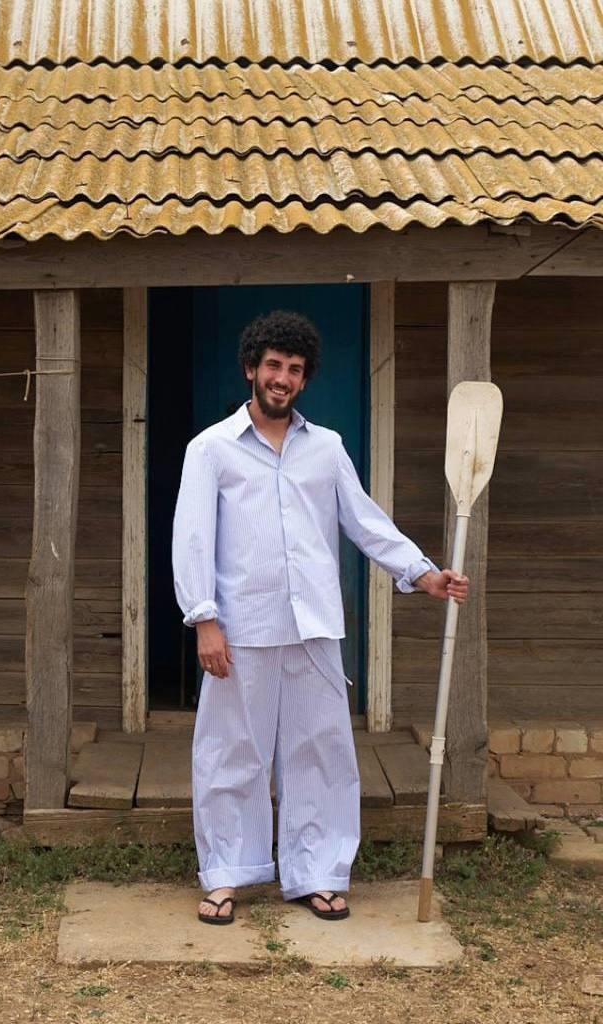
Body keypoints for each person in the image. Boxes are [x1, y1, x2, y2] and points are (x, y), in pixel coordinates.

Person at [171, 310, 469, 925]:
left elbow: (364, 521)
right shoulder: (211, 449)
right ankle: (226, 874)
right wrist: (204, 618)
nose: (283, 378)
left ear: (304, 381)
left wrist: (422, 572)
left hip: (314, 630)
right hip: (241, 628)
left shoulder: (326, 448)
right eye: (274, 365)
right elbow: (192, 537)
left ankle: (317, 873)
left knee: (321, 755)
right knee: (231, 755)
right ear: (251, 369)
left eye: (295, 370)